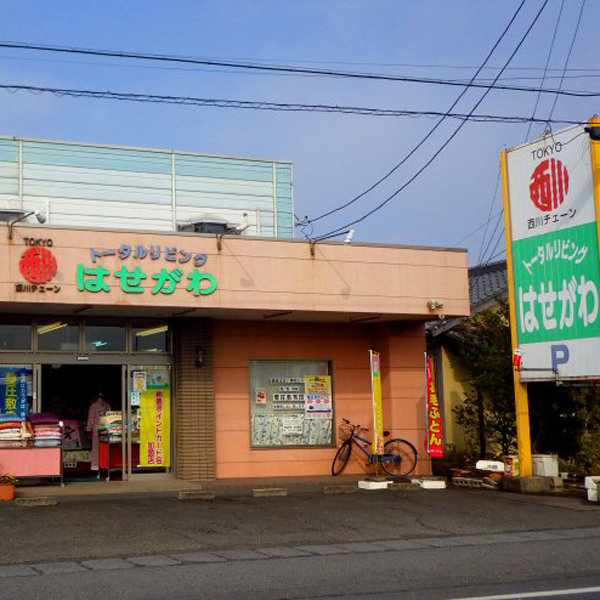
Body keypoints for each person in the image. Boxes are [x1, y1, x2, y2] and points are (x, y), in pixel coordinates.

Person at [86, 392, 111, 471]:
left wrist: (88, 429)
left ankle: (95, 466)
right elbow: (110, 417)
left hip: (96, 428)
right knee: (105, 446)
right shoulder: (107, 405)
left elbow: (91, 418)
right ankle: (105, 465)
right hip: (105, 427)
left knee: (96, 447)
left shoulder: (93, 405)